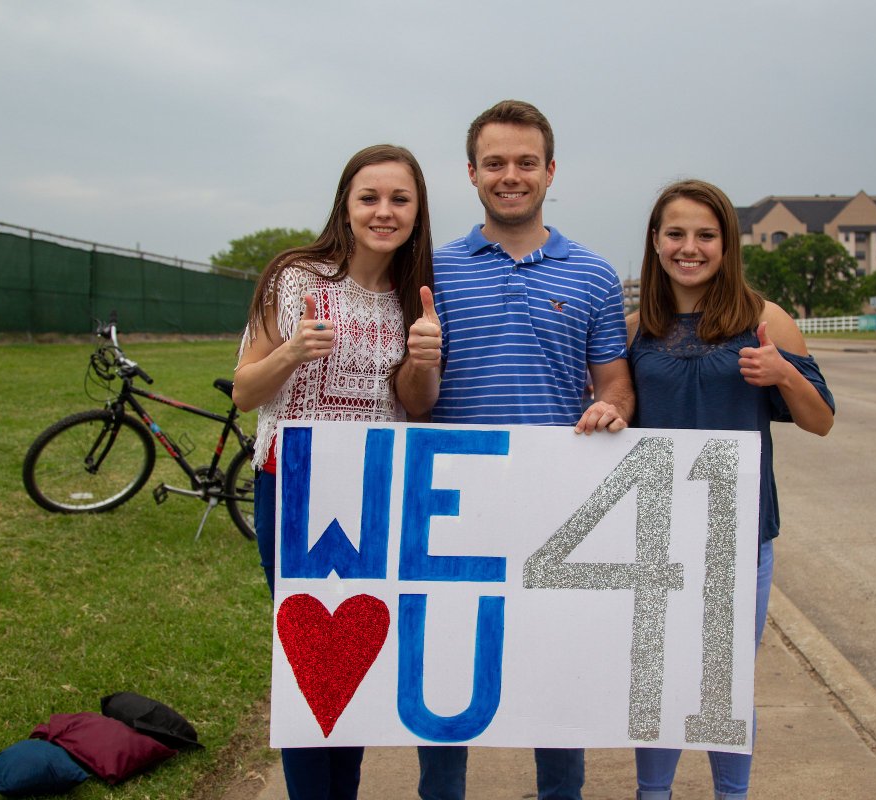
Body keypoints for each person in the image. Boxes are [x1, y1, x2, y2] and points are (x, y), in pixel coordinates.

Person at [399, 99, 634, 800]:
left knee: (558, 685)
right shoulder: (429, 271)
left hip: (557, 506)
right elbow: (415, 401)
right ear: (471, 173)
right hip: (455, 504)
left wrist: (610, 408)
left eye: (525, 162)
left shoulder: (592, 274)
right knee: (445, 678)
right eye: (495, 163)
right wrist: (419, 358)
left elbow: (617, 386)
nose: (511, 175)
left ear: (550, 171)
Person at [231, 143, 436, 800]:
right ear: (346, 206)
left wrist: (425, 359)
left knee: (355, 662)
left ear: (416, 210)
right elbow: (244, 391)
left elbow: (416, 403)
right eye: (369, 197)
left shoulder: (418, 294)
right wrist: (293, 351)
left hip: (376, 490)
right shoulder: (293, 277)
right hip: (292, 486)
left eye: (399, 199)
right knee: (307, 660)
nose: (384, 211)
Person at [627, 179, 834, 800]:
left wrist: (784, 373)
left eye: (705, 235)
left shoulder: (763, 320)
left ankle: (732, 794)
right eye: (676, 234)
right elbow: (618, 410)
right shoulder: (636, 328)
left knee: (725, 677)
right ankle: (652, 792)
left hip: (739, 534)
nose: (690, 248)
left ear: (726, 244)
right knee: (657, 676)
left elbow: (820, 418)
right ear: (656, 243)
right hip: (655, 533)